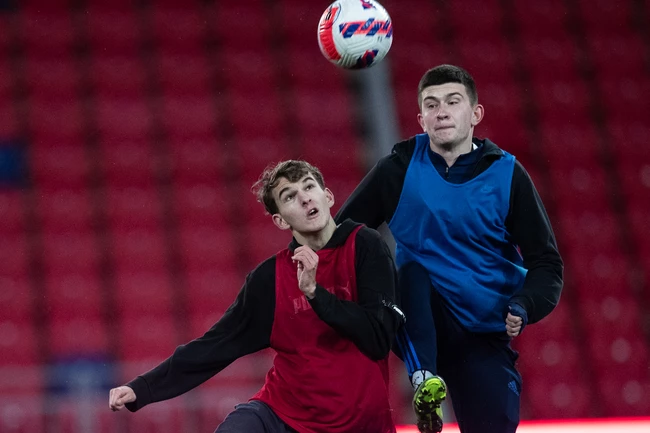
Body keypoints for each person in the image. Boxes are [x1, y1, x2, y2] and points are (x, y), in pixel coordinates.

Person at [335, 64, 564, 433]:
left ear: (475, 114)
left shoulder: (508, 175)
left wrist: (526, 304)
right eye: (431, 104)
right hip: (422, 314)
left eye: (452, 102)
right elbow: (340, 237)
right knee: (409, 270)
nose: (441, 111)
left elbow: (547, 264)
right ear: (421, 119)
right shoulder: (397, 169)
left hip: (484, 330)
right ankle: (424, 379)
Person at [108, 160, 405, 433]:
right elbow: (216, 344)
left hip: (362, 425)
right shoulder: (269, 279)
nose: (304, 198)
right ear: (280, 221)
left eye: (309, 187)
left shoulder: (365, 246)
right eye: (289, 196)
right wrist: (143, 388)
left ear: (327, 196)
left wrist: (316, 294)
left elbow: (377, 339)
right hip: (282, 418)